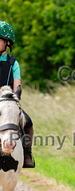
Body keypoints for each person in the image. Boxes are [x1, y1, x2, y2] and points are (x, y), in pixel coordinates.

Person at [0, 21, 35, 168]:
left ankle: (27, 153)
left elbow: (17, 86)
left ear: (7, 42)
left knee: (28, 122)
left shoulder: (13, 63)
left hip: (7, 102)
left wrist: (14, 98)